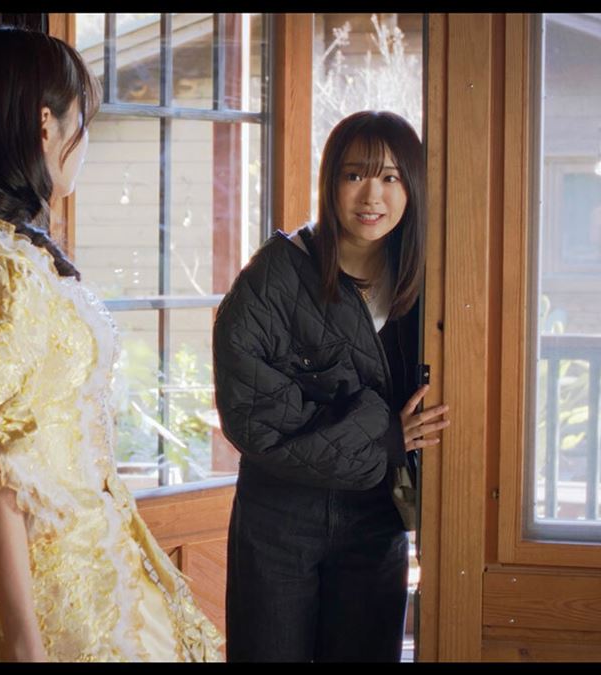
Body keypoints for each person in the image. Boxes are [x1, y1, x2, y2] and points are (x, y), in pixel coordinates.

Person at [0, 25, 222, 662]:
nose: (86, 141)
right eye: (83, 119)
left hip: (86, 551)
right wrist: (26, 643)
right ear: (44, 124)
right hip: (44, 578)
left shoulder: (4, 252)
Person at [211, 110, 450, 662]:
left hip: (374, 519)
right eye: (354, 175)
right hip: (278, 519)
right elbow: (253, 418)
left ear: (413, 187)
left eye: (390, 177)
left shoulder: (429, 280)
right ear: (330, 183)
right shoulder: (274, 275)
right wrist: (385, 437)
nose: (372, 195)